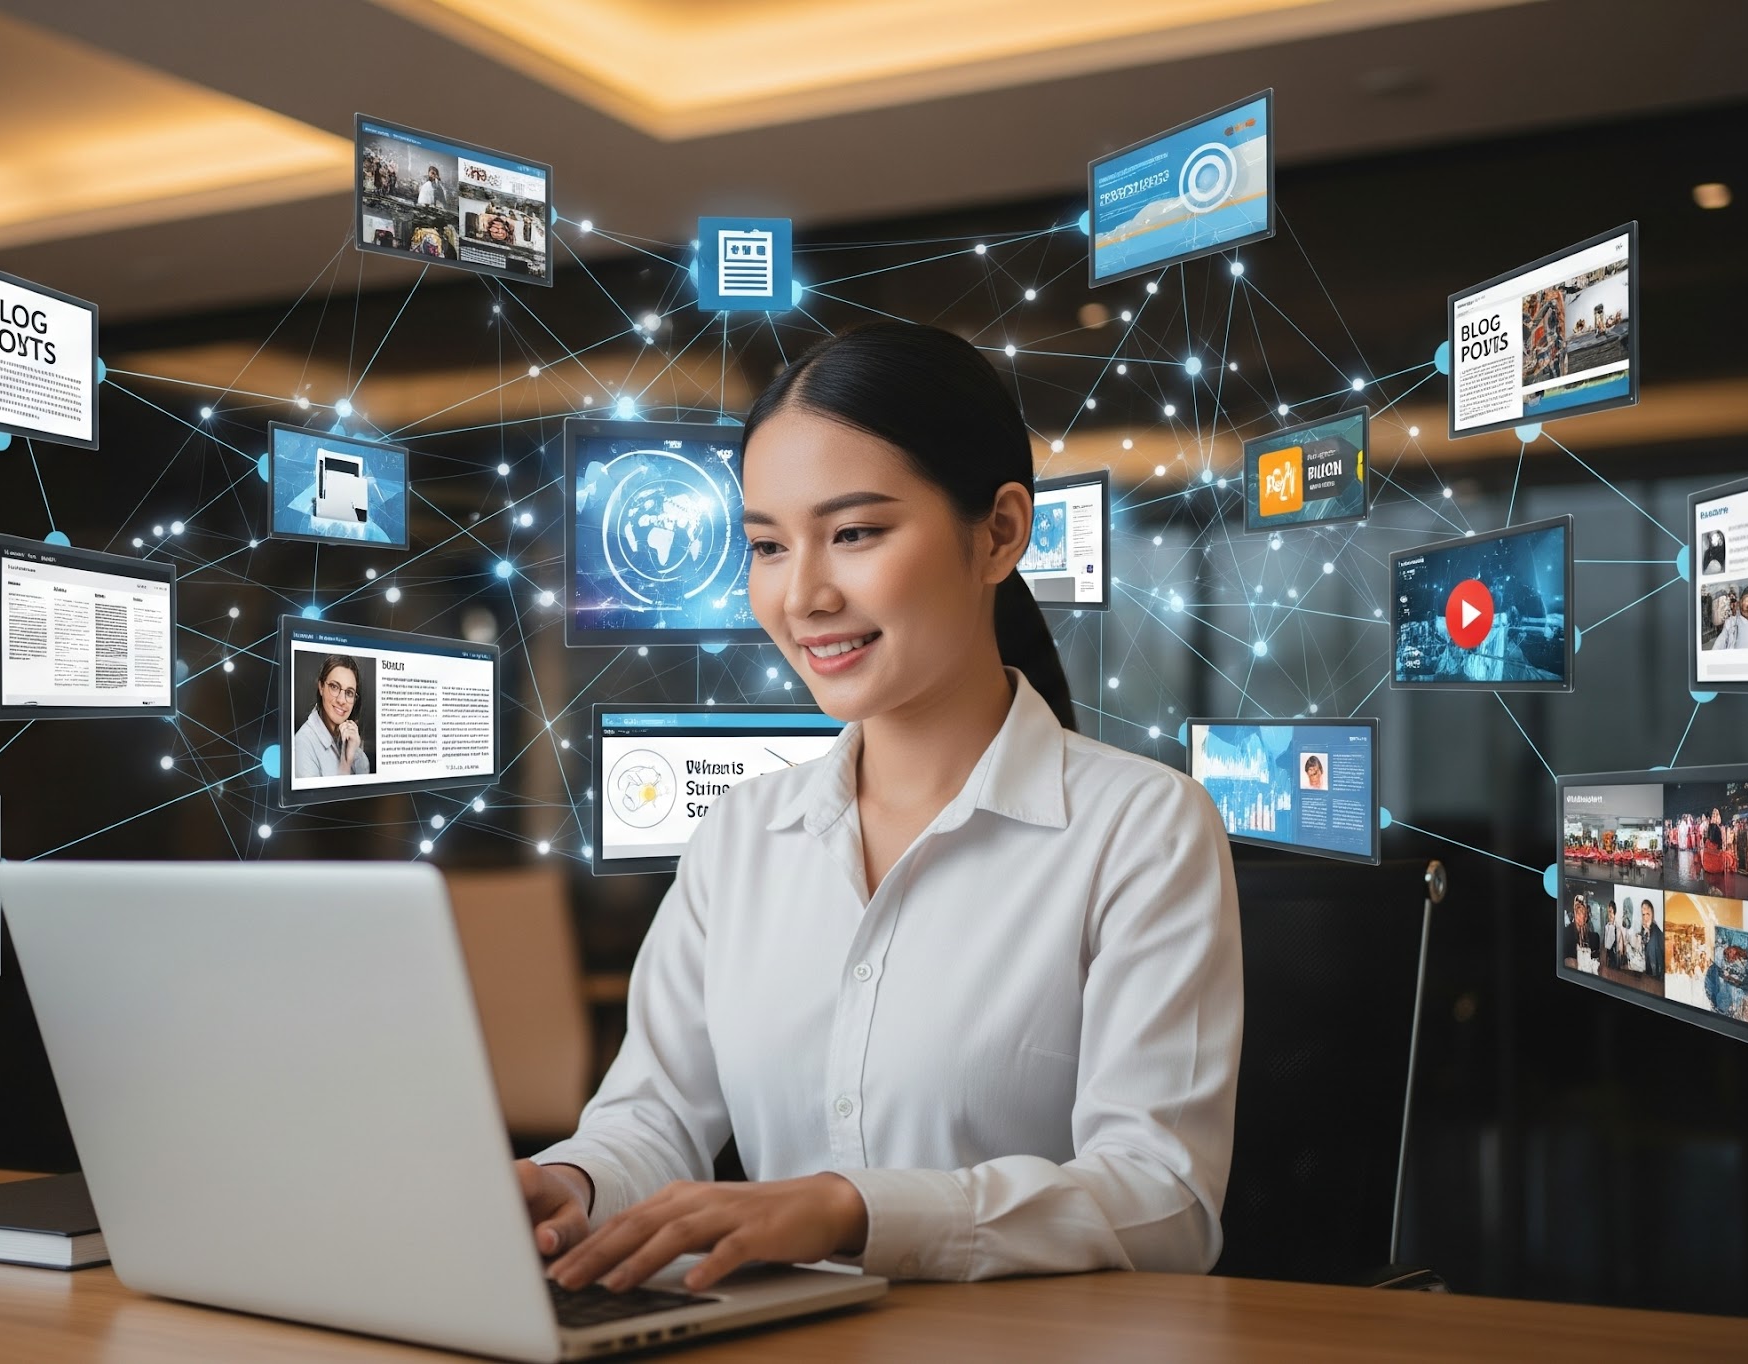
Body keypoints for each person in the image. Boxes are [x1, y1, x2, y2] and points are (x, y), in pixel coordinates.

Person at [517, 322, 1244, 1293]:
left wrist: (852, 1208)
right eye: (768, 544)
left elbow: (1162, 1202)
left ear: (999, 532)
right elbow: (650, 1118)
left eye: (854, 532)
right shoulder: (740, 836)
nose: (804, 593)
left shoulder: (1142, 828)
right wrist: (570, 1182)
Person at [290, 655, 370, 779]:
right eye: (334, 687)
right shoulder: (302, 745)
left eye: (349, 693)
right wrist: (345, 764)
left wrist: (353, 755)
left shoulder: (357, 752)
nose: (341, 700)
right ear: (321, 687)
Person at [1634, 900, 1665, 977]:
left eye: (1648, 914)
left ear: (1652, 914)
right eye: (1643, 914)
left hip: (1655, 976)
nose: (1645, 917)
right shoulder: (1643, 931)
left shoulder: (1657, 932)